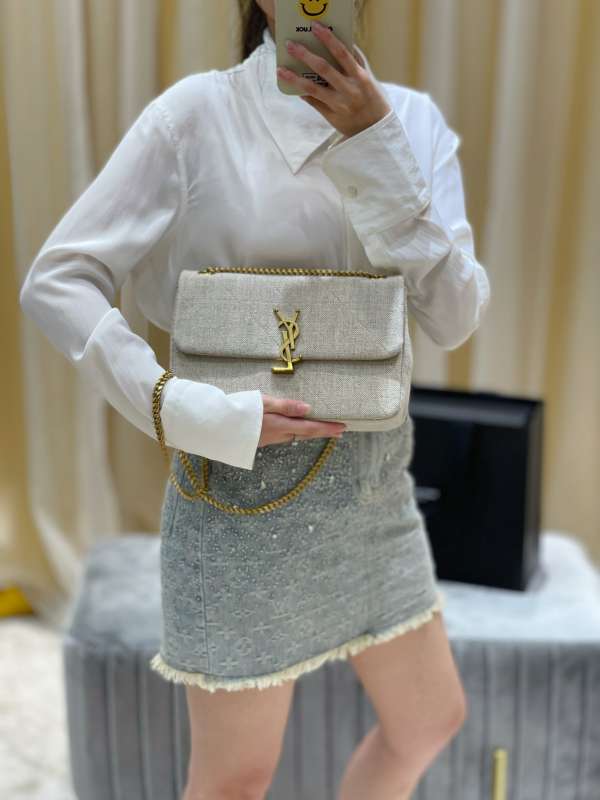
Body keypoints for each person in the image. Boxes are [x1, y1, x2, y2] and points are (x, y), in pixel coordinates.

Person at [19, 1, 490, 798]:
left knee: (430, 717)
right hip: (236, 501)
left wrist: (376, 148)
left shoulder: (411, 122)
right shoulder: (194, 116)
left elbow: (453, 318)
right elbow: (57, 280)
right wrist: (176, 407)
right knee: (235, 779)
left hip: (374, 493)